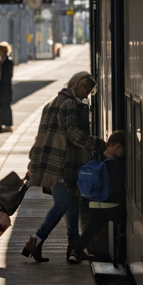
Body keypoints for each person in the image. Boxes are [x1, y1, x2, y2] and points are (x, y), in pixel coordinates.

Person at [22, 70, 106, 264]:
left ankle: (74, 246)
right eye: (86, 90)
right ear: (77, 84)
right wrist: (95, 143)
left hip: (56, 161)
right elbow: (71, 132)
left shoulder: (54, 101)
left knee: (73, 202)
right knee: (62, 204)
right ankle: (36, 240)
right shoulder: (69, 104)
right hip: (61, 163)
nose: (86, 95)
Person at [70, 130, 126, 259]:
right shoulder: (115, 165)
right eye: (124, 150)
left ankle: (75, 252)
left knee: (90, 230)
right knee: (127, 224)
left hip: (95, 204)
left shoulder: (96, 158)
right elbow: (119, 189)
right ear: (118, 147)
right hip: (113, 206)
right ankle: (123, 253)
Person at [0, 42, 14, 130]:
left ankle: (8, 125)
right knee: (1, 105)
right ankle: (2, 123)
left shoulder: (8, 62)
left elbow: (9, 76)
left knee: (6, 105)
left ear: (3, 51)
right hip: (0, 86)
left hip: (5, 87)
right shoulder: (0, 61)